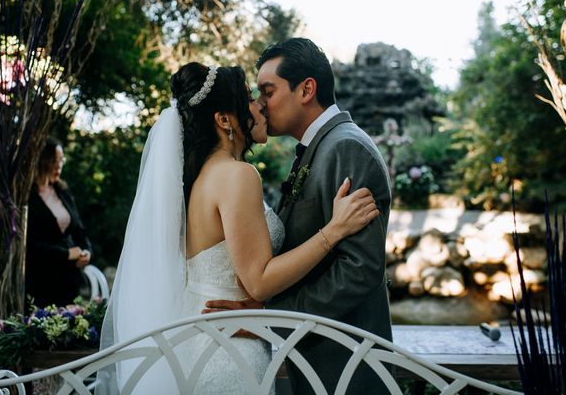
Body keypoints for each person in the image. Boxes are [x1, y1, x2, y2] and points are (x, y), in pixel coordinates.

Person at [98, 62, 380, 394]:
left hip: (196, 344)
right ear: (224, 119)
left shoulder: (198, 178)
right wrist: (334, 230)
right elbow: (258, 282)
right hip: (228, 352)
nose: (260, 105)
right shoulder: (237, 175)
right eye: (249, 98)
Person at [205, 38, 393, 394]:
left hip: (346, 367)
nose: (259, 104)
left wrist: (272, 317)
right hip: (318, 364)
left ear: (306, 89)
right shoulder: (321, 148)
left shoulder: (346, 148)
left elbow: (360, 269)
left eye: (268, 91)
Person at [25, 138, 92, 309]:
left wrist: (87, 252)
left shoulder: (62, 191)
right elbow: (29, 244)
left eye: (61, 160)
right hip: (43, 281)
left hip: (70, 280)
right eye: (55, 160)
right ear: (41, 161)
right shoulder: (27, 197)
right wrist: (66, 254)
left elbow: (79, 230)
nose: (59, 165)